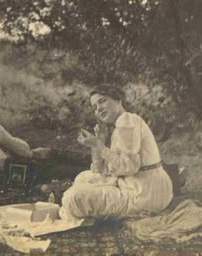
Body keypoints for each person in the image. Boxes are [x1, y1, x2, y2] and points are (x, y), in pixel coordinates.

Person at [59, 85, 174, 221]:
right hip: (141, 185)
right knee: (83, 177)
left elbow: (128, 167)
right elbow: (99, 170)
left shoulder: (127, 122)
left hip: (145, 193)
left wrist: (98, 144)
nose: (99, 109)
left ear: (118, 99)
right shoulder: (121, 124)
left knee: (73, 198)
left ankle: (80, 214)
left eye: (102, 101)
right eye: (95, 107)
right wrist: (99, 142)